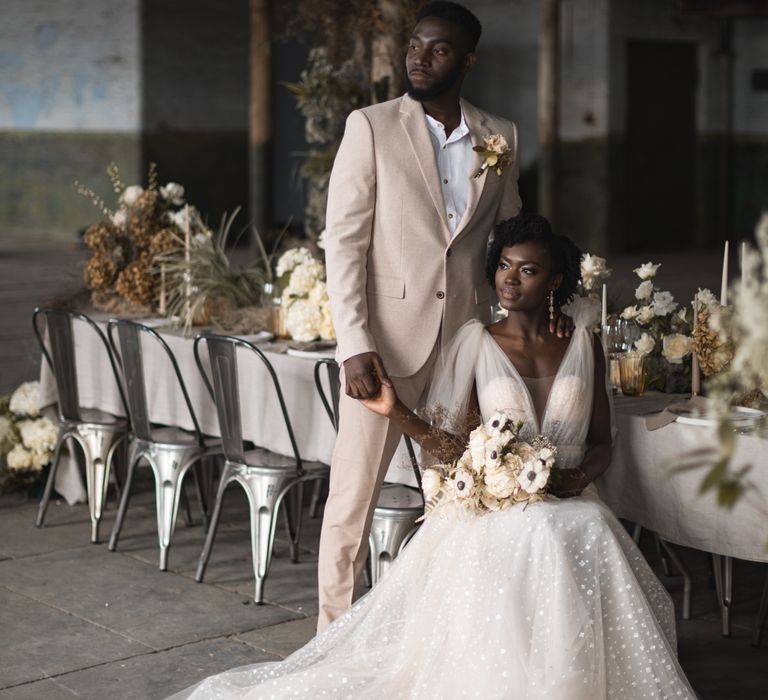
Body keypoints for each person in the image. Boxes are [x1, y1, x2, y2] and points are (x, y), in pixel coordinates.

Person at [168, 214, 696, 699]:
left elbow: (604, 442)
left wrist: (576, 475)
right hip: (494, 508)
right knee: (546, 532)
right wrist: (396, 410)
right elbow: (450, 445)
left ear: (555, 281)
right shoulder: (477, 342)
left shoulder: (584, 342)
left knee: (582, 527)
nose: (509, 280)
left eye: (528, 270)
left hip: (573, 497)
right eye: (504, 267)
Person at [318, 0, 526, 632]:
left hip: (463, 348)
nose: (419, 57)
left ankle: (445, 639)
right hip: (384, 350)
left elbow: (508, 239)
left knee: (462, 499)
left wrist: (526, 319)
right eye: (415, 45)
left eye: (437, 49)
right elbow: (345, 241)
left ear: (466, 60)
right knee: (352, 503)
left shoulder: (501, 137)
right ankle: (329, 639)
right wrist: (354, 343)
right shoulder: (372, 126)